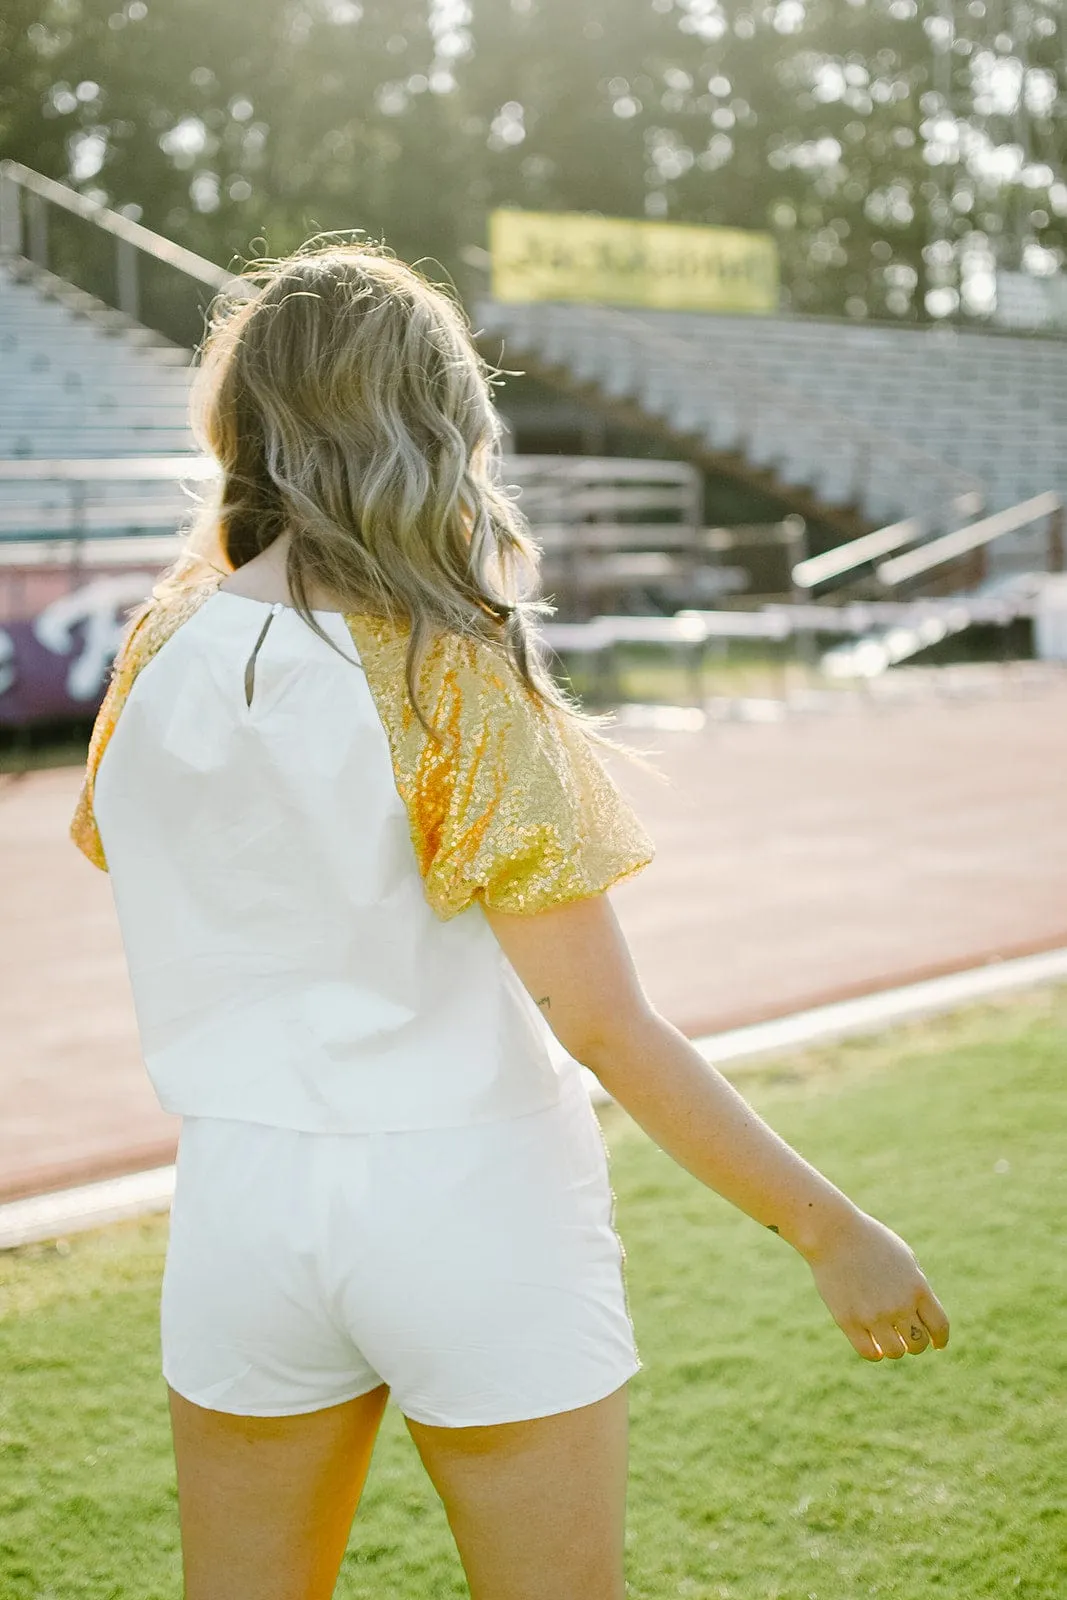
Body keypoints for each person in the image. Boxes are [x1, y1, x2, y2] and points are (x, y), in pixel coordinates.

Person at [70, 242, 949, 1600]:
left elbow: (151, 864)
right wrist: (829, 1228)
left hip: (241, 1203)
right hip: (466, 1194)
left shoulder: (159, 644)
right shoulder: (443, 662)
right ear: (430, 416)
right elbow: (599, 1019)